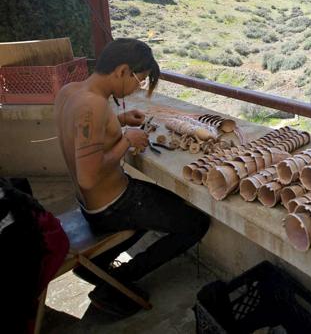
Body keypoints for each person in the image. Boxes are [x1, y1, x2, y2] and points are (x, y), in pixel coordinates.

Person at [54, 38, 209, 317]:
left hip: (88, 203)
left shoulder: (71, 92)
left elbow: (84, 134)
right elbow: (88, 176)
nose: (138, 86)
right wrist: (126, 141)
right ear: (122, 71)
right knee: (195, 223)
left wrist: (120, 120)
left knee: (159, 206)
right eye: (139, 79)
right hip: (112, 205)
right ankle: (118, 281)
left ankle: (100, 263)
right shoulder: (94, 107)